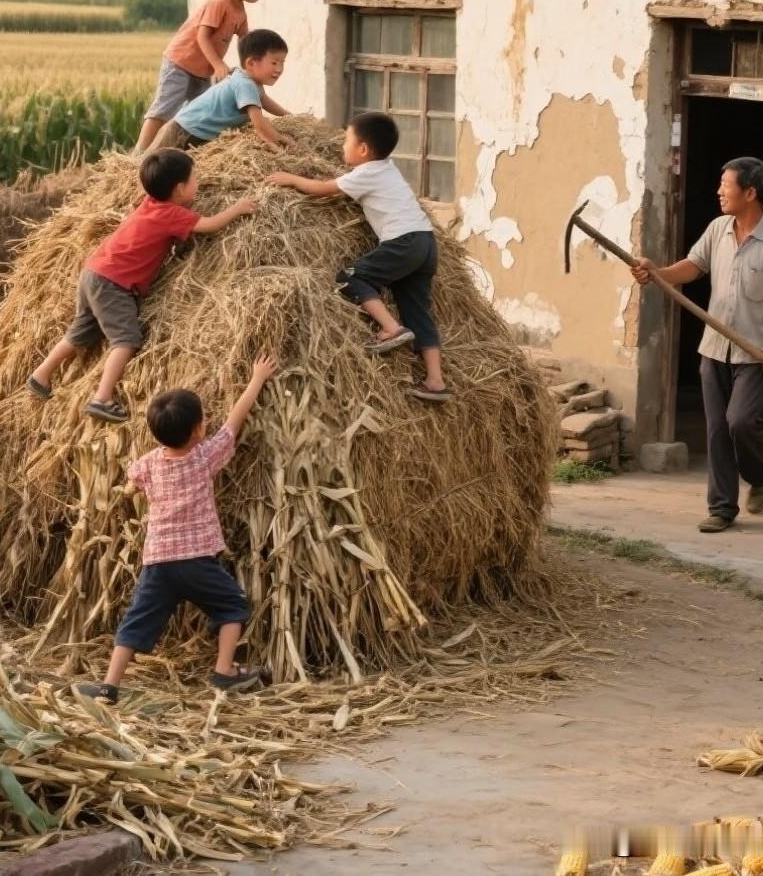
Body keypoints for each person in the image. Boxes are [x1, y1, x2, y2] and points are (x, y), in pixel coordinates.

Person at [76, 354, 278, 704]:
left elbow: (132, 478)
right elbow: (234, 421)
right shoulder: (204, 457)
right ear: (199, 430)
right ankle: (224, 671)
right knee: (232, 607)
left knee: (135, 622)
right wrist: (257, 378)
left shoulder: (150, 463)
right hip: (198, 560)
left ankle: (109, 686)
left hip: (158, 562)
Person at [632, 156, 763, 533]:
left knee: (740, 422)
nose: (719, 191)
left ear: (750, 192)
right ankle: (722, 508)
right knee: (716, 431)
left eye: (725, 185)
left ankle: (759, 477)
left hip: (756, 353)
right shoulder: (718, 229)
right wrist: (657, 272)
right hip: (713, 349)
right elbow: (693, 266)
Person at [27, 149, 257, 424]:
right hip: (114, 284)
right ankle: (102, 398)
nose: (198, 182)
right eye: (195, 179)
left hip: (94, 272)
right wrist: (237, 209)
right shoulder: (172, 213)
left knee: (81, 332)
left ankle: (40, 375)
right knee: (126, 340)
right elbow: (209, 225)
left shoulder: (149, 202)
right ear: (180, 189)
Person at [266, 110, 449, 401]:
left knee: (351, 276)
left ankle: (391, 328)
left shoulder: (364, 173)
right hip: (425, 242)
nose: (342, 146)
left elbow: (322, 190)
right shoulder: (387, 169)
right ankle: (436, 380)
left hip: (403, 241)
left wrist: (291, 178)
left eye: (346, 141)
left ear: (363, 149)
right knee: (418, 309)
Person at [133, 0, 280, 154]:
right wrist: (219, 65)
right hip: (181, 62)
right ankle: (138, 154)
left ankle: (183, 154)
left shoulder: (240, 10)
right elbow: (202, 36)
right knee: (163, 109)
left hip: (203, 71)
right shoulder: (220, 2)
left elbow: (246, 44)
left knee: (198, 114)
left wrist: (249, 72)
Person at [144, 29, 292, 154]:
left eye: (282, 63)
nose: (279, 69)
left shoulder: (247, 78)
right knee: (150, 169)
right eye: (274, 63)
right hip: (185, 132)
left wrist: (288, 116)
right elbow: (259, 125)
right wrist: (278, 141)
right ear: (251, 63)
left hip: (189, 128)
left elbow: (264, 100)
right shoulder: (245, 85)